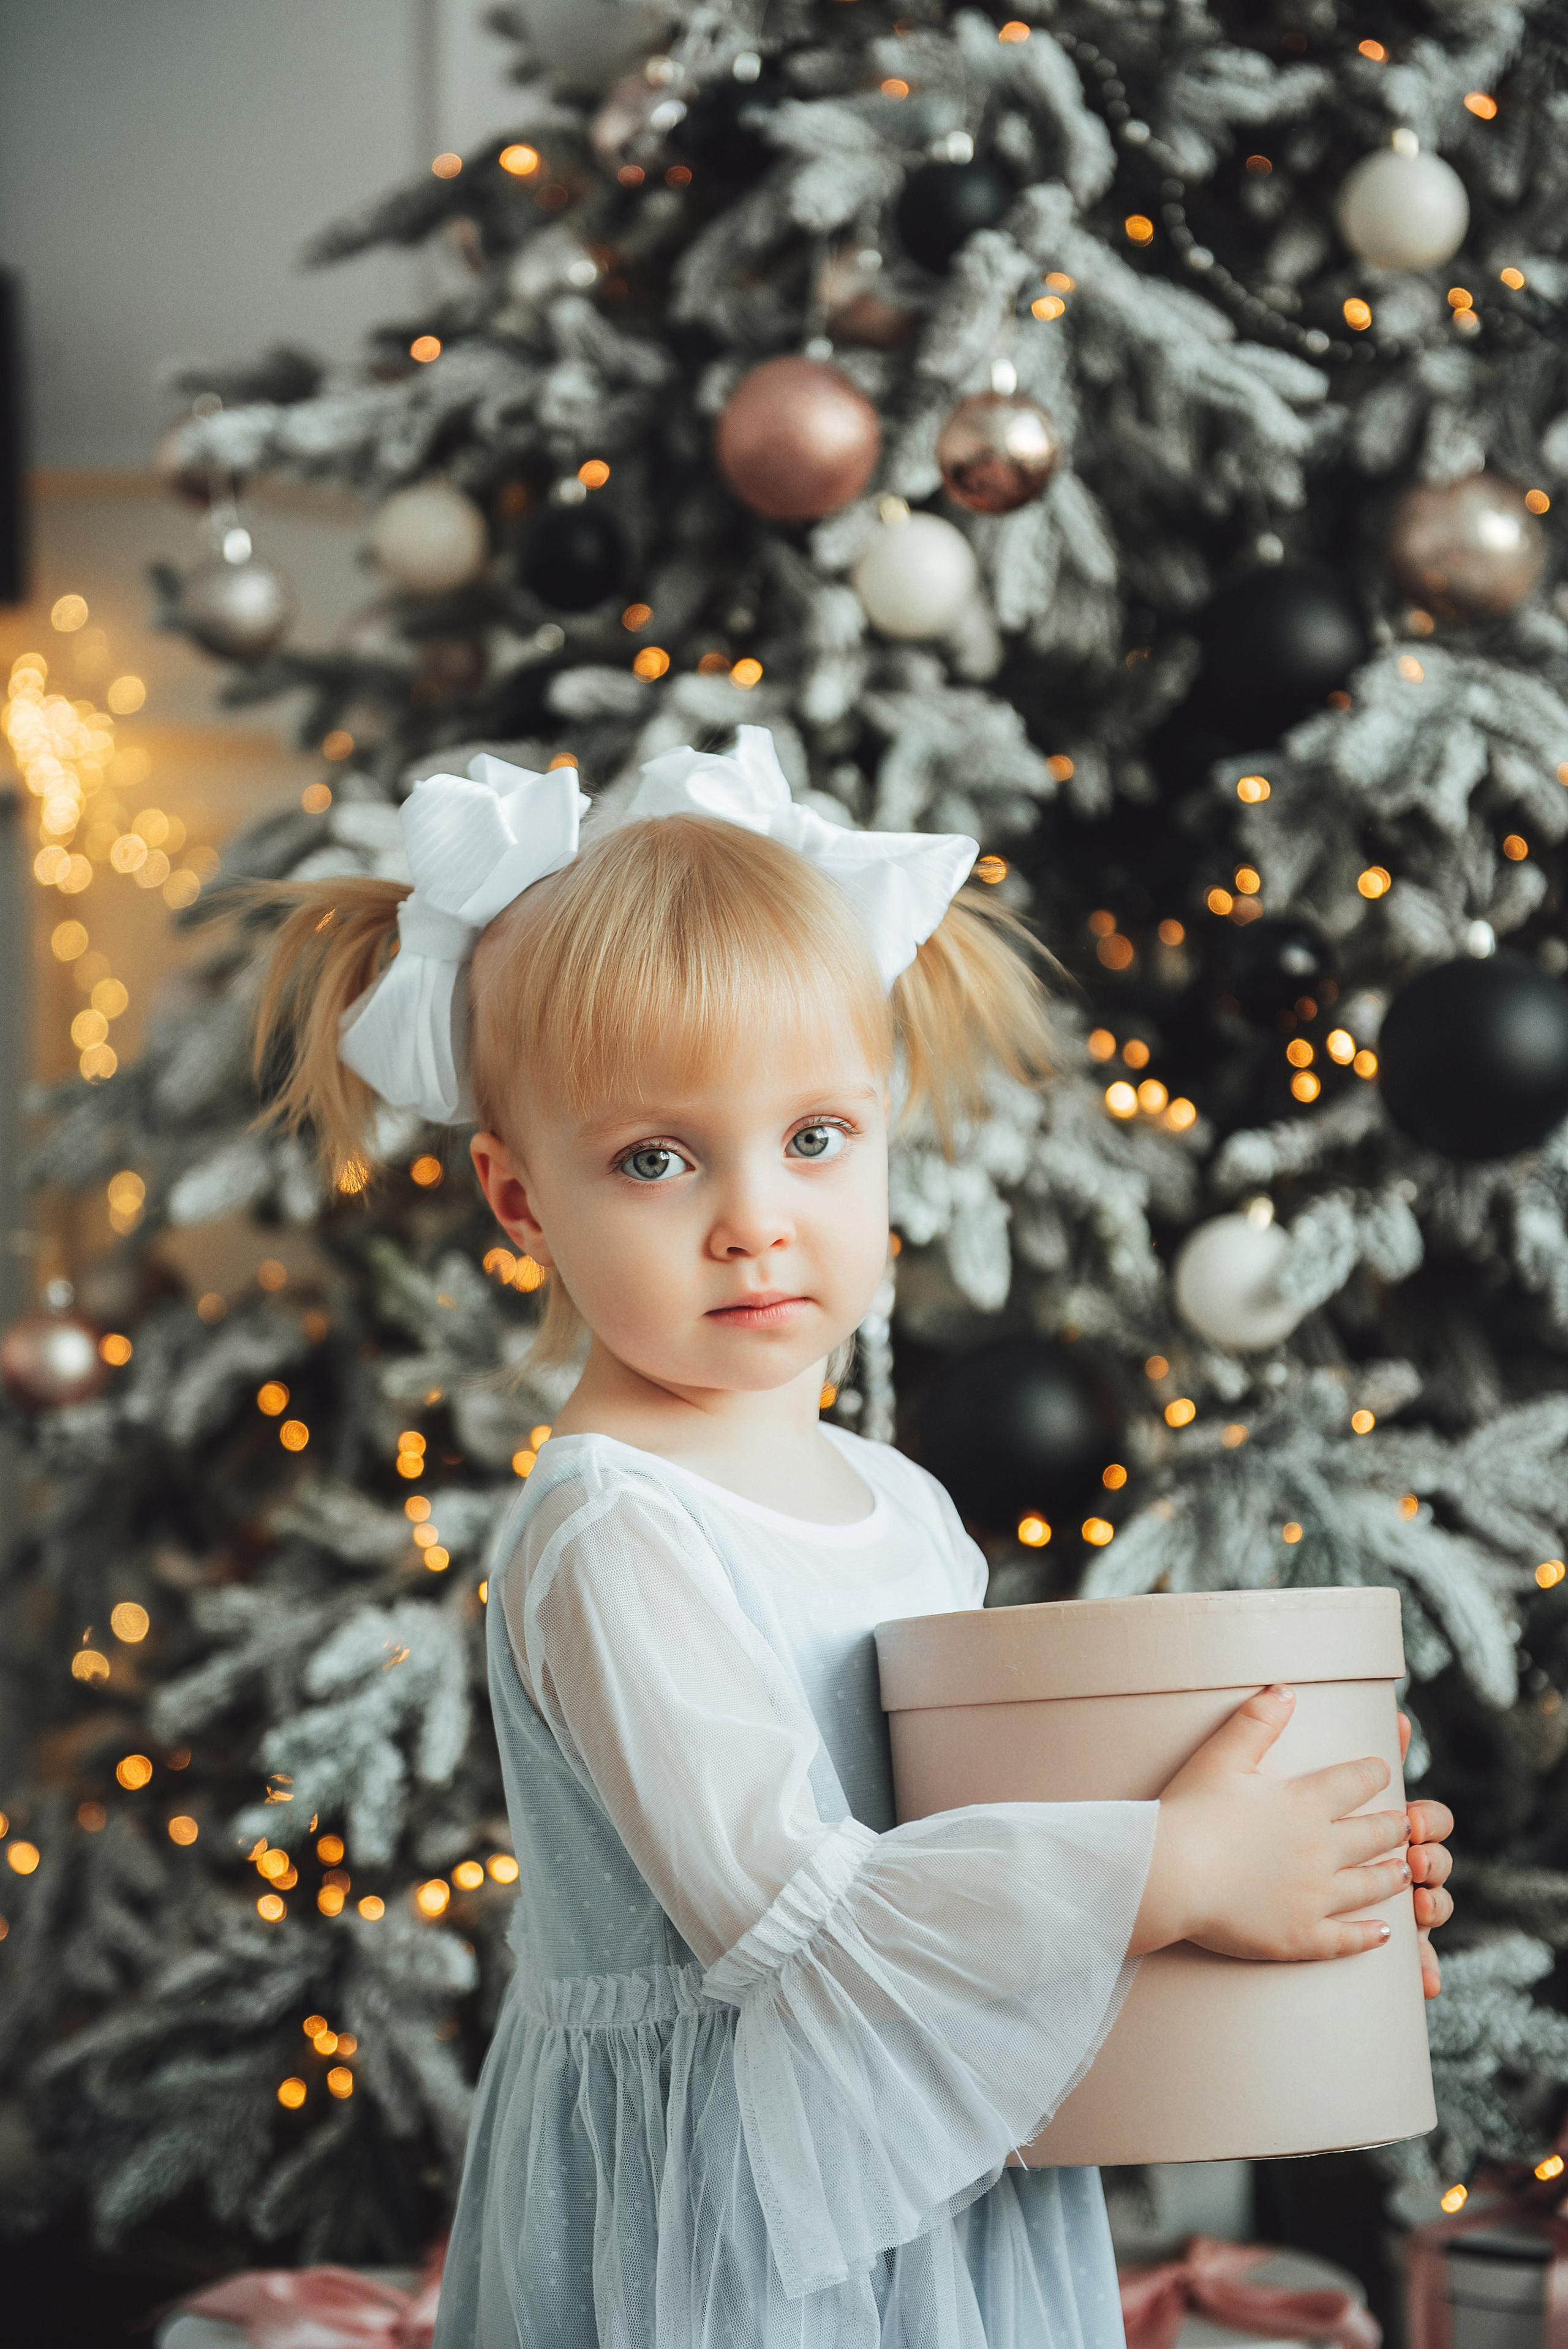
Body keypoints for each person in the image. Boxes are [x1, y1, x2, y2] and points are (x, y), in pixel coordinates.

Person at [256, 726, 1453, 2349]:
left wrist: (1302, 1903)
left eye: (814, 1136)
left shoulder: (901, 1502)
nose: (755, 1219)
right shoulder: (615, 1527)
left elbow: (993, 1866)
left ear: (884, 1130)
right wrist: (1179, 1868)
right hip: (732, 2213)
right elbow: (793, 1920)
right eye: (656, 1158)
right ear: (520, 1197)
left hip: (928, 2154)